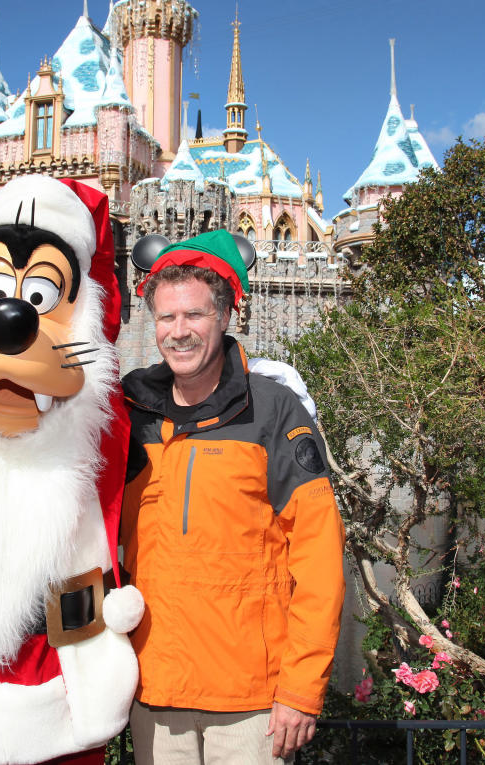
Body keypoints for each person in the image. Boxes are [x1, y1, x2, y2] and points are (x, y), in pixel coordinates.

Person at [119, 230, 346, 764]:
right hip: (154, 695)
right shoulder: (131, 414)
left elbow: (318, 559)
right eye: (167, 318)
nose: (179, 332)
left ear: (225, 317)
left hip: (252, 704)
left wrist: (301, 688)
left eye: (194, 316)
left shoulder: (273, 411)